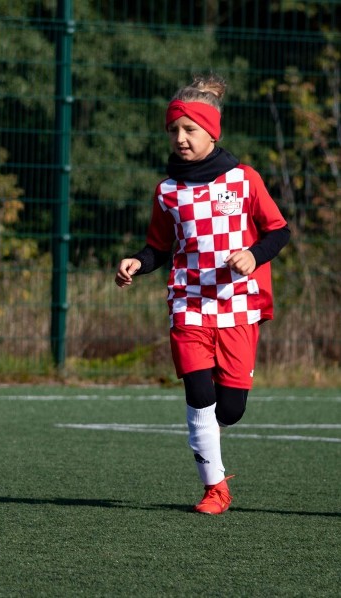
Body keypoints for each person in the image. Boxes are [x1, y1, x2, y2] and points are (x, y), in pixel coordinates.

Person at [115, 74, 290, 515]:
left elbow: (279, 230)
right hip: (188, 304)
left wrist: (253, 255)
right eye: (174, 130)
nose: (180, 138)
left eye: (190, 130)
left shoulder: (244, 179)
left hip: (237, 308)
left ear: (213, 131)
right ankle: (215, 489)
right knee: (198, 398)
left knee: (229, 410)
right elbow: (158, 246)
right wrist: (138, 260)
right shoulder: (168, 191)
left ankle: (216, 423)